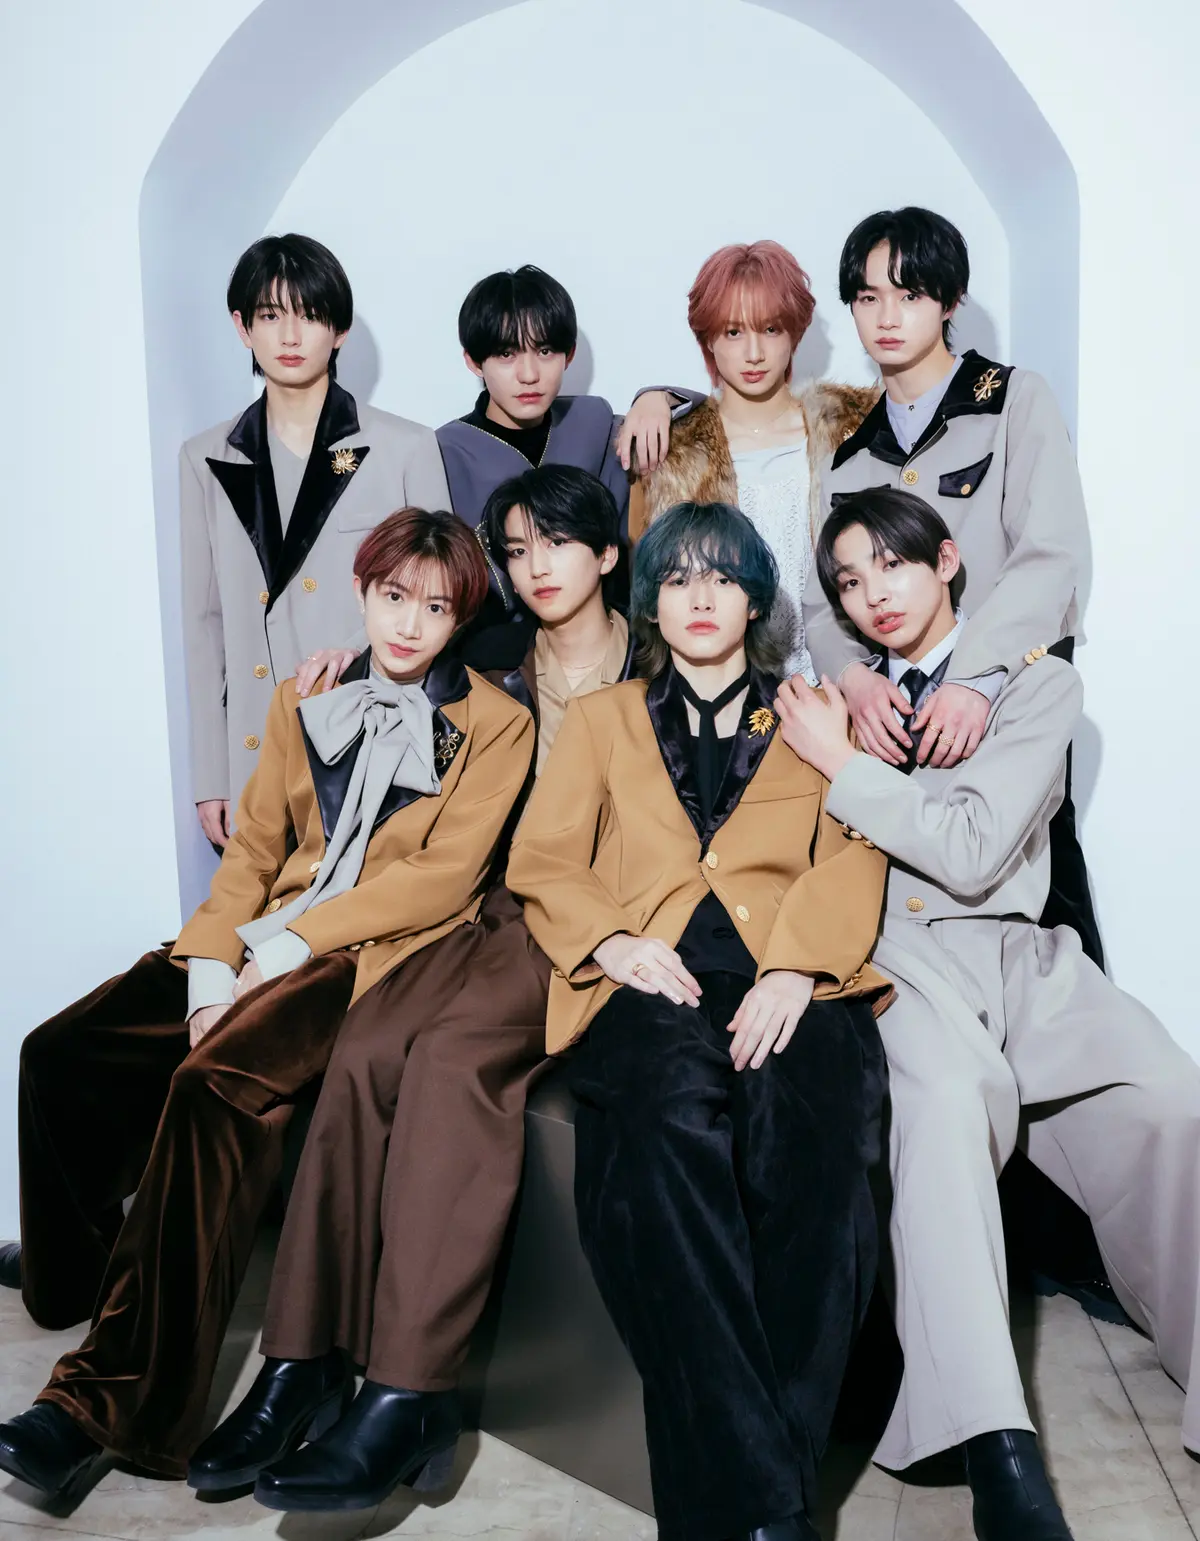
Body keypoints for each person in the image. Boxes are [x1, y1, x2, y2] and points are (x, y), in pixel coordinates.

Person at [0, 510, 533, 1500]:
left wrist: (283, 954)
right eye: (393, 597)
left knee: (210, 1089)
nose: (409, 624)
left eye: (435, 607)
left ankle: (99, 1407)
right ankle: (73, 1281)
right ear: (362, 591)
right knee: (61, 1051)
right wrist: (212, 973)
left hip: (360, 956)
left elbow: (440, 880)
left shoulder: (500, 724)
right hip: (259, 933)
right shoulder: (307, 693)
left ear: (460, 618)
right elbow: (252, 850)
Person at [187, 464, 633, 1512]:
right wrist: (338, 665)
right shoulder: (490, 651)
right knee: (362, 1053)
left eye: (558, 543)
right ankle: (300, 1360)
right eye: (517, 549)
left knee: (446, 1061)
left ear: (610, 554)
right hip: (486, 902)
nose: (535, 566)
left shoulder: (660, 653)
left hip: (584, 908)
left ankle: (408, 1389)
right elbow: (409, 666)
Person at [777, 487, 1200, 1541]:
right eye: (849, 581)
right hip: (897, 959)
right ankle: (995, 1447)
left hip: (1021, 954)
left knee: (1172, 1097)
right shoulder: (827, 698)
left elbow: (973, 848)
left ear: (948, 561)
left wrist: (845, 766)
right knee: (946, 1102)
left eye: (893, 565)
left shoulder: (1039, 684)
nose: (874, 594)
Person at [507, 501, 892, 1541]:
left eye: (723, 576)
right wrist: (611, 943)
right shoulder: (602, 720)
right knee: (661, 1137)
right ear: (650, 603)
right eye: (677, 579)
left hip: (788, 975)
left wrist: (799, 966)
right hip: (654, 975)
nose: (701, 597)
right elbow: (543, 857)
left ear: (757, 598)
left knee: (817, 1148)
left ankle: (736, 1499)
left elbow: (856, 845)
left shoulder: (813, 713)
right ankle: (773, 1505)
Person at [803, 206, 1100, 966]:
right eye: (868, 298)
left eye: (909, 295)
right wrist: (855, 684)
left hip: (1003, 716)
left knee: (1046, 940)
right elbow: (821, 599)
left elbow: (1051, 555)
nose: (887, 317)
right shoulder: (849, 455)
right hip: (899, 733)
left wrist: (975, 679)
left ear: (950, 301)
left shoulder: (1013, 401)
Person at [182, 233, 451, 845]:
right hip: (257, 750)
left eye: (309, 315)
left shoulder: (406, 447)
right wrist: (211, 775)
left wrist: (355, 650)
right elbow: (204, 624)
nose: (290, 336)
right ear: (242, 327)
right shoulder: (204, 458)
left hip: (372, 731)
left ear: (340, 329)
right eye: (270, 315)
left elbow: (447, 594)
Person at [629, 240, 879, 681]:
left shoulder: (854, 428)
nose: (754, 353)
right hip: (723, 691)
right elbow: (646, 590)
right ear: (708, 338)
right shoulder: (670, 451)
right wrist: (651, 396)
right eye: (733, 332)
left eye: (770, 329)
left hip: (849, 677)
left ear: (794, 332)